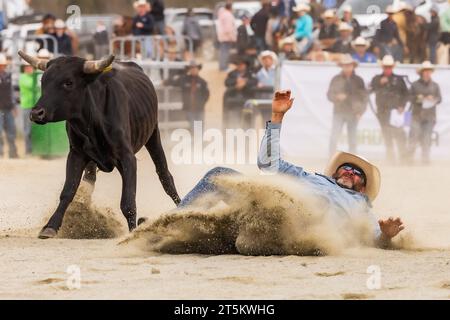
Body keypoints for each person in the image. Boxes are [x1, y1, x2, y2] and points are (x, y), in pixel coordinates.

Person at [179, 90, 405, 250]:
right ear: (334, 172)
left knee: (265, 232)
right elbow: (268, 164)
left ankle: (249, 239)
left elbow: (374, 239)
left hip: (299, 230)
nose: (349, 172)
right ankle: (171, 226)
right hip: (270, 214)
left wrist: (386, 236)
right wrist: (277, 117)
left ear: (363, 189)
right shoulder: (308, 177)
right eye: (346, 167)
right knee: (218, 175)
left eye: (357, 174)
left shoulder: (361, 206)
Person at [370, 55, 409, 163]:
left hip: (397, 113)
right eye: (386, 67)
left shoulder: (400, 80)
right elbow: (369, 89)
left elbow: (406, 94)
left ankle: (403, 159)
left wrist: (402, 106)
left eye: (389, 67)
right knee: (387, 136)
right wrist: (379, 83)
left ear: (392, 67)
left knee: (400, 135)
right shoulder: (376, 79)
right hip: (383, 112)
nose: (387, 69)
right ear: (382, 67)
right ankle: (390, 159)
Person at [327, 55, 368, 156]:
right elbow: (329, 94)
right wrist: (336, 97)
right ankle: (331, 157)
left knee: (352, 138)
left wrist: (360, 111)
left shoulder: (359, 80)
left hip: (353, 113)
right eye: (345, 65)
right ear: (342, 66)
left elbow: (364, 98)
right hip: (339, 112)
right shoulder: (336, 79)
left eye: (349, 65)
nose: (347, 67)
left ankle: (353, 159)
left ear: (353, 66)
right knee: (334, 136)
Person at [407, 61, 442, 165]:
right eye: (425, 71)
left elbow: (439, 99)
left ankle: (425, 160)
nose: (427, 73)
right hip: (416, 116)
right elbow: (409, 97)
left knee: (426, 139)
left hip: (430, 117)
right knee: (413, 138)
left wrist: (434, 98)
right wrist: (420, 98)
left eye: (429, 71)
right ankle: (409, 159)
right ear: (422, 72)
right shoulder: (415, 85)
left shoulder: (435, 86)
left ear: (430, 72)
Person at [166, 61, 210, 130]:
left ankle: (198, 139)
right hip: (188, 109)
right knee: (192, 127)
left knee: (199, 128)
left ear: (198, 69)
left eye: (195, 68)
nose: (193, 70)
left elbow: (206, 94)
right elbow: (172, 82)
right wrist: (165, 82)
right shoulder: (183, 79)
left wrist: (201, 103)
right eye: (192, 68)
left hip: (199, 109)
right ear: (189, 69)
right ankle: (195, 138)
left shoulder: (203, 82)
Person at [223, 58, 258, 127]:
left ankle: (248, 136)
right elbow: (227, 82)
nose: (240, 66)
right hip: (234, 102)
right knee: (234, 122)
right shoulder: (232, 74)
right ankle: (234, 136)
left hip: (247, 101)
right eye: (238, 64)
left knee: (248, 123)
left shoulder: (250, 74)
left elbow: (255, 81)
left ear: (245, 65)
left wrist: (245, 83)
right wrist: (236, 82)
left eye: (242, 64)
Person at [18, 56, 40, 155]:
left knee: (36, 130)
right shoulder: (23, 77)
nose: (29, 68)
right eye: (27, 67)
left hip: (35, 106)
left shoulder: (35, 77)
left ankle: (36, 149)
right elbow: (31, 86)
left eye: (30, 67)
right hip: (27, 106)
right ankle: (28, 150)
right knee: (27, 130)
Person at [0, 54, 18, 159]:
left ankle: (13, 152)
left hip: (8, 107)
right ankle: (0, 153)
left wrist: (14, 106)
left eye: (2, 65)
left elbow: (11, 92)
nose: (2, 67)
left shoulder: (8, 76)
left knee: (11, 131)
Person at [217, 2, 237, 71]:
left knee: (223, 52)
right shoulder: (228, 15)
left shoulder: (222, 14)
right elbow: (228, 28)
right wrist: (232, 37)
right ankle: (224, 67)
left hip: (223, 36)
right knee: (225, 53)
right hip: (227, 37)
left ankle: (222, 66)